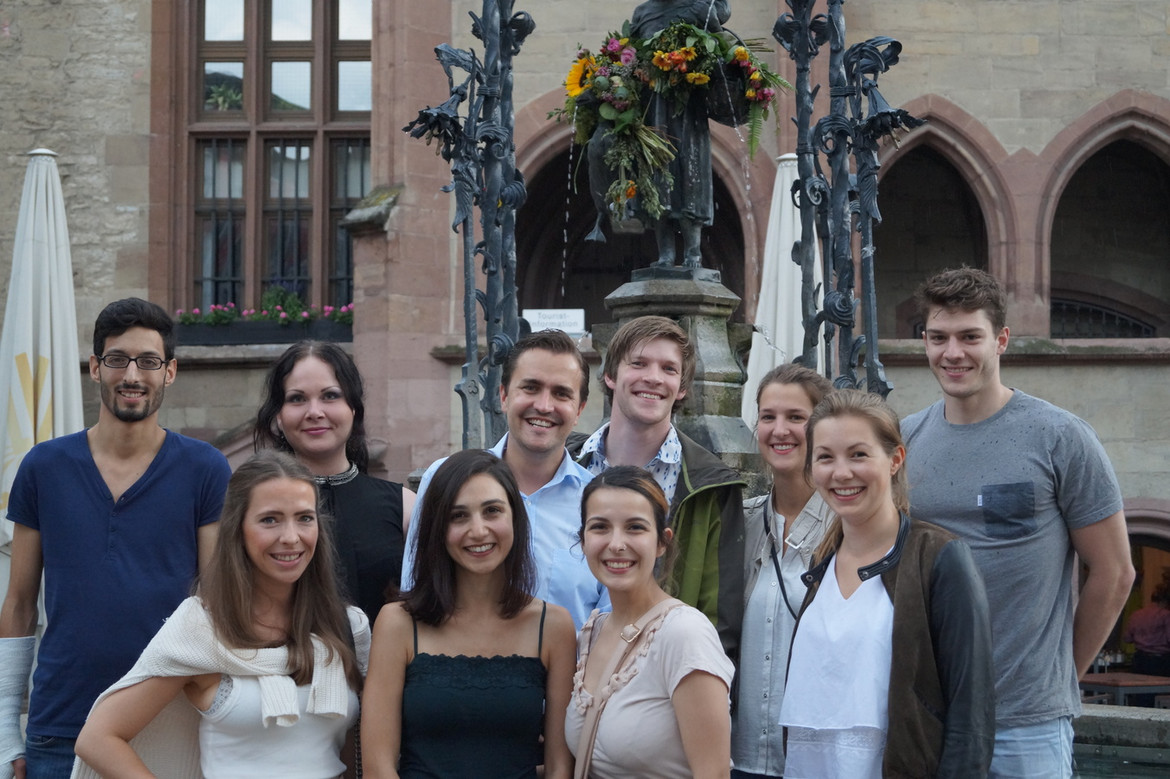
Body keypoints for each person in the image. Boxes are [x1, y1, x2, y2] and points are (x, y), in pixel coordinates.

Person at [901, 267, 1134, 777]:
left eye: (970, 337)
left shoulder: (1060, 437)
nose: (952, 353)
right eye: (938, 337)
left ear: (1001, 339)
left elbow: (1115, 572)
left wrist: (1059, 679)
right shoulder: (905, 440)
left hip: (1025, 725)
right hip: (926, 718)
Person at [0, 298, 231, 779]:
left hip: (168, 720)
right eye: (116, 359)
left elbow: (215, 601)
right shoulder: (43, 467)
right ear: (94, 367)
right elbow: (19, 604)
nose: (132, 375)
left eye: (148, 361)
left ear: (170, 372)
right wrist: (5, 729)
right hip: (60, 724)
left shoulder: (205, 468)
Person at [72, 450, 368, 779]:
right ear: (237, 529)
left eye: (304, 518)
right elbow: (98, 738)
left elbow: (357, 749)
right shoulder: (201, 625)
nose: (290, 537)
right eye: (269, 519)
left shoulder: (348, 626)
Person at [777, 389, 994, 778]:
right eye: (825, 457)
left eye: (858, 454)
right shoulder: (819, 565)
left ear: (894, 459)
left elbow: (971, 717)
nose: (841, 473)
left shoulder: (940, 558)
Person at [363, 449, 576, 778]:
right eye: (458, 516)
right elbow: (379, 766)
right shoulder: (398, 623)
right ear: (437, 528)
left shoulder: (554, 627)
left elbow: (560, 767)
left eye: (492, 511)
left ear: (515, 518)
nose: (478, 531)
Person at [402, 330, 606, 630]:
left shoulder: (597, 502)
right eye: (531, 388)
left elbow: (609, 621)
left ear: (579, 410)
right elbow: (417, 590)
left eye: (561, 393)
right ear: (503, 396)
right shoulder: (446, 479)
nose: (545, 405)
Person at [573, 315, 745, 658]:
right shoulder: (566, 466)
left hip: (656, 682)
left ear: (682, 387)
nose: (653, 378)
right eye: (638, 363)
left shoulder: (711, 484)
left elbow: (720, 620)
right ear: (610, 375)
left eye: (669, 368)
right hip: (553, 676)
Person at [567, 466, 734, 779]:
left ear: (662, 542)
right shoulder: (594, 632)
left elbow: (713, 773)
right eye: (600, 527)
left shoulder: (684, 634)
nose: (616, 543)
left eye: (635, 528)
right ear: (583, 539)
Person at [255, 340, 415, 624]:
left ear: (353, 408)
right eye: (297, 398)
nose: (314, 411)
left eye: (330, 396)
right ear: (278, 416)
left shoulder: (406, 507)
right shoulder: (251, 506)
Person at [732, 364, 833, 779]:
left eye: (796, 417)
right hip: (740, 758)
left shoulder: (847, 529)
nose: (780, 430)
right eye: (768, 417)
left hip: (818, 760)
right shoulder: (742, 523)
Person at [630, 0, 730, 267]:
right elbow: (632, 57)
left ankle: (693, 252)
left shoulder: (698, 8)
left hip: (687, 109)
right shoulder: (642, 13)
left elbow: (721, 48)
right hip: (653, 109)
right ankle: (665, 254)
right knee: (657, 178)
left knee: (689, 174)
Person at [1124, 568, 1170, 678]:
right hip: (1161, 660)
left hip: (1139, 659)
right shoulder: (1166, 615)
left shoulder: (1136, 614)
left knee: (1140, 692)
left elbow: (1127, 638)